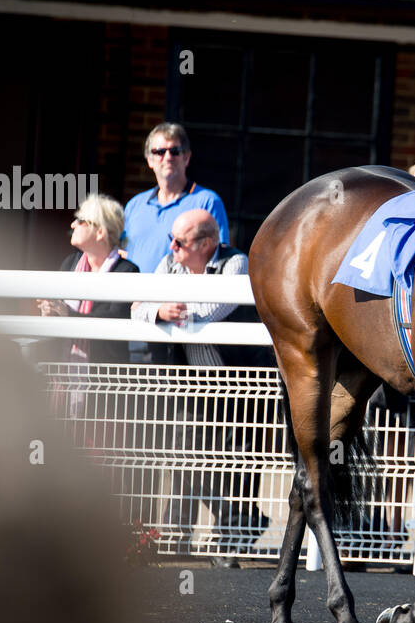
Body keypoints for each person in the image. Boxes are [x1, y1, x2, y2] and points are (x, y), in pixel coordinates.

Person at [132, 209, 272, 568]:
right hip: (191, 380)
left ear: (207, 244)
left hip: (240, 382)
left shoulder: (235, 262)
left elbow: (214, 308)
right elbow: (137, 306)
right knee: (183, 456)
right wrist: (159, 310)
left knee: (238, 462)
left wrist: (172, 306)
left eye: (181, 242)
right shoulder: (170, 262)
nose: (173, 247)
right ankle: (180, 536)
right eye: (171, 240)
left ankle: (229, 544)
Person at [122, 123, 230, 363]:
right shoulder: (134, 206)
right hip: (138, 317)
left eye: (175, 151)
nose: (167, 157)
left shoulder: (206, 202)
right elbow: (122, 255)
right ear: (149, 160)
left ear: (187, 157)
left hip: (180, 325)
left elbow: (215, 261)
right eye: (159, 152)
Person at [36, 194, 139, 363]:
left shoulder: (126, 271)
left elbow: (114, 320)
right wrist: (50, 309)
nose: (73, 224)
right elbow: (58, 314)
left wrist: (68, 314)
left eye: (81, 220)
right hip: (62, 370)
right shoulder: (70, 262)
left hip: (105, 377)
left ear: (100, 232)